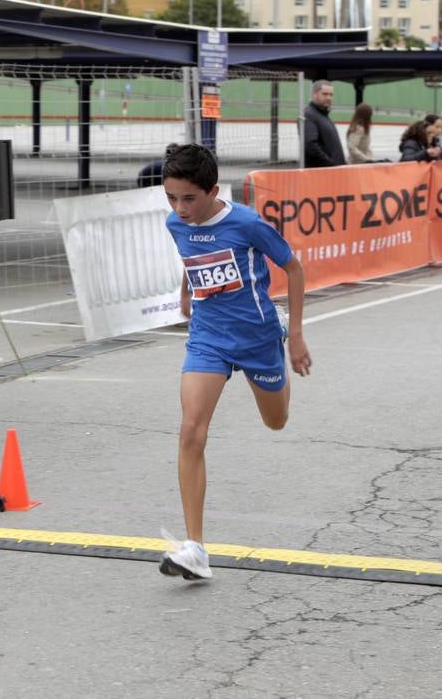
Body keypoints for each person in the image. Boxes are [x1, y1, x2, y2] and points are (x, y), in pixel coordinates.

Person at [157, 143, 311, 581]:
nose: (179, 208)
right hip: (208, 338)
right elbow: (191, 256)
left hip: (258, 337)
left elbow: (294, 270)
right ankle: (195, 548)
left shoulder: (247, 223)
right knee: (191, 429)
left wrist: (295, 336)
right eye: (171, 197)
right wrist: (187, 289)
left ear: (213, 190)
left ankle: (276, 364)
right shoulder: (175, 223)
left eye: (189, 198)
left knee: (276, 421)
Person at [302, 79, 346, 168]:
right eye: (325, 94)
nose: (328, 98)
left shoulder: (322, 115)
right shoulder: (309, 115)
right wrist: (330, 164)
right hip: (322, 174)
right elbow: (311, 145)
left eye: (331, 95)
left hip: (332, 171)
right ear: (314, 94)